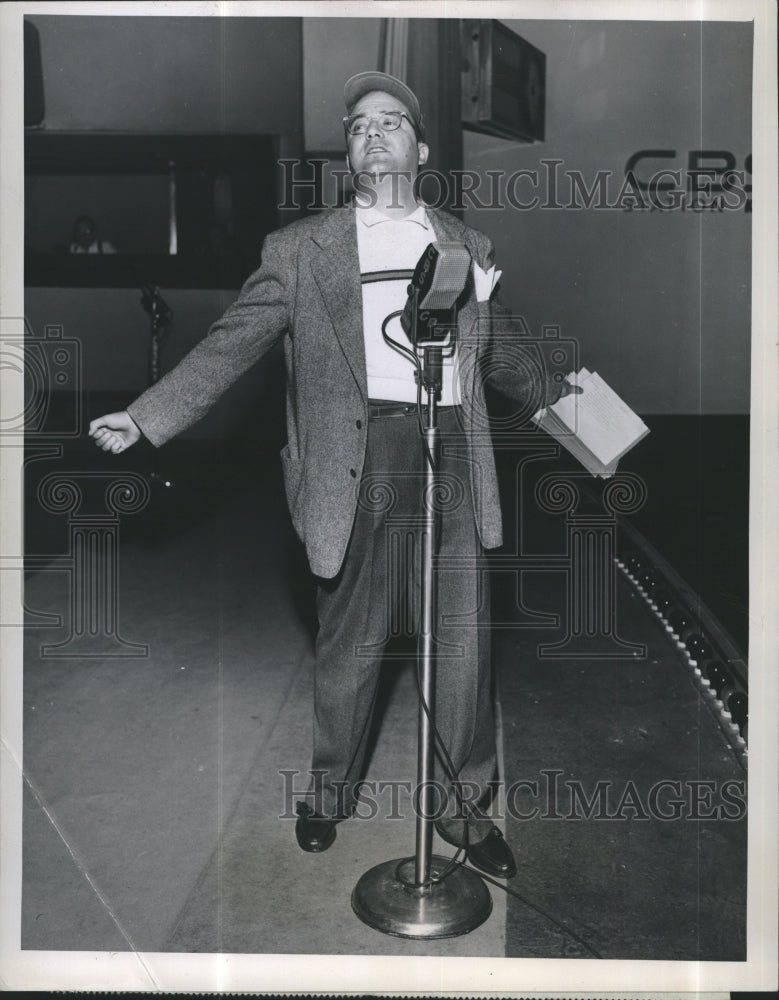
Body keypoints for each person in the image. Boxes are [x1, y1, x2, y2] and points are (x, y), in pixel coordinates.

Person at [89, 71, 576, 880]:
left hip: (450, 451)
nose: (372, 134)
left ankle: (461, 810)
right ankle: (326, 792)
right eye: (357, 126)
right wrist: (147, 416)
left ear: (421, 150)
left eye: (390, 122)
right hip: (357, 462)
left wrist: (593, 425)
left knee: (460, 647)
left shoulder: (464, 242)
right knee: (350, 646)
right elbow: (230, 341)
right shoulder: (299, 250)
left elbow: (511, 356)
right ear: (347, 153)